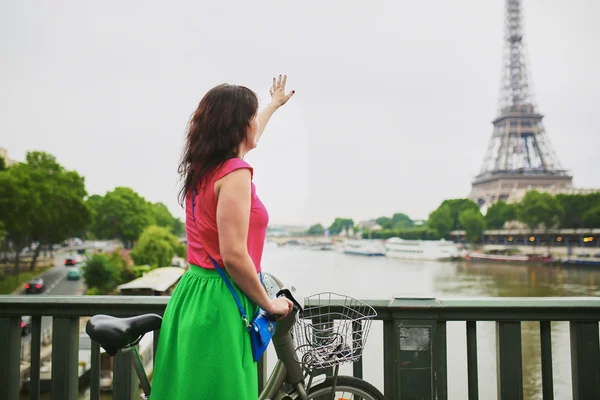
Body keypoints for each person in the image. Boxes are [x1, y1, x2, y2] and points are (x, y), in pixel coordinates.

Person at [150, 76, 296, 399]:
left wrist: (273, 104)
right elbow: (234, 255)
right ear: (237, 126)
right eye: (251, 117)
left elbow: (254, 130)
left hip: (193, 295)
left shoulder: (203, 170)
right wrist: (268, 302)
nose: (254, 124)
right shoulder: (235, 175)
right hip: (222, 304)